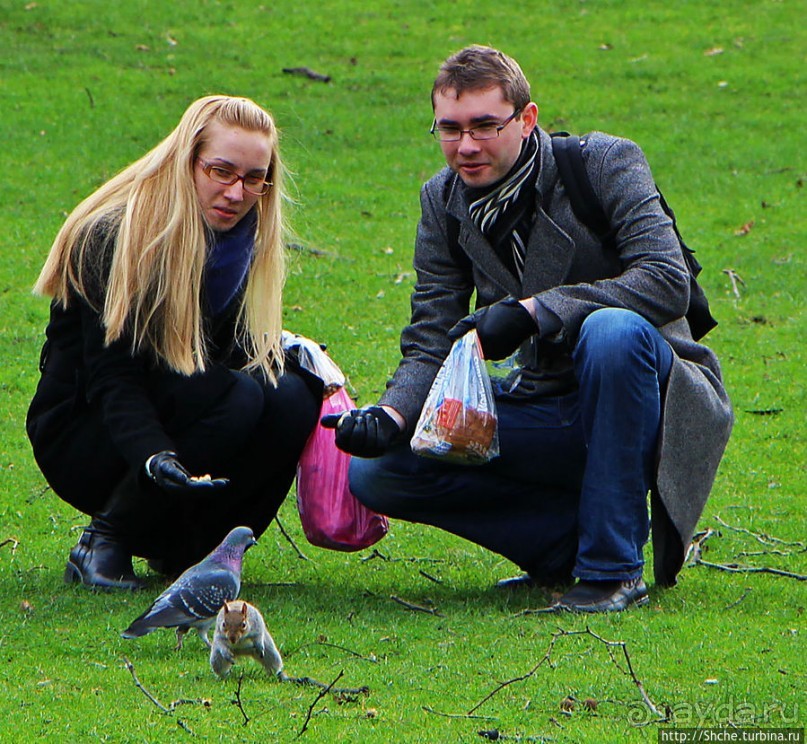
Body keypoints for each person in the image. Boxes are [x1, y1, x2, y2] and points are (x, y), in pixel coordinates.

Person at [322, 45, 733, 612]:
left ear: (527, 118)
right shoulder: (442, 201)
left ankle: (612, 571)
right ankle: (565, 550)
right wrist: (390, 415)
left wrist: (537, 310)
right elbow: (433, 330)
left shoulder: (604, 163)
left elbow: (666, 280)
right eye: (450, 129)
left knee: (610, 332)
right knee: (378, 472)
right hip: (545, 406)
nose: (466, 147)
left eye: (485, 126)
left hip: (649, 401)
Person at [27, 95, 322, 590]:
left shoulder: (244, 237)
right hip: (87, 427)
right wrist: (154, 455)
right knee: (239, 395)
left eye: (254, 179)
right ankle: (106, 539)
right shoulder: (113, 234)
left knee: (294, 393)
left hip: (177, 405)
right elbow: (112, 377)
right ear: (187, 161)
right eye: (221, 172)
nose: (237, 192)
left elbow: (223, 355)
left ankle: (194, 551)